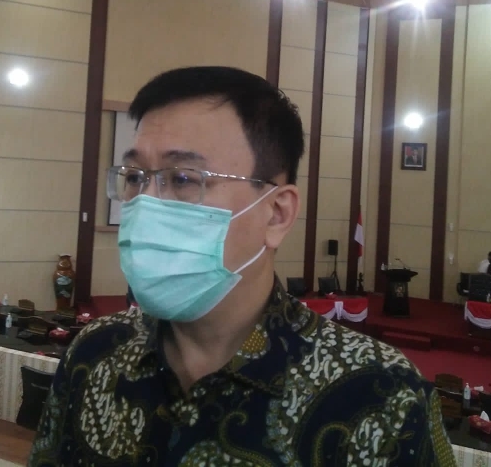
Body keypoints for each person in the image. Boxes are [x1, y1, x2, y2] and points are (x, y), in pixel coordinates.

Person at [28, 66, 455, 466]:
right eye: (136, 177)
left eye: (183, 178)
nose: (146, 203)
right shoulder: (95, 351)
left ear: (276, 214)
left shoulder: (381, 395)